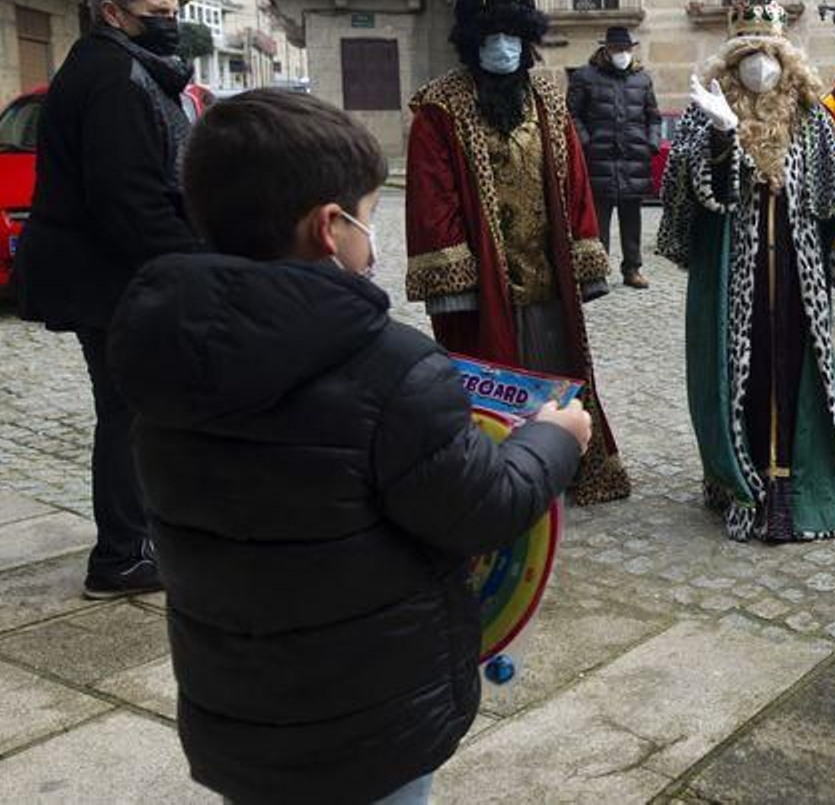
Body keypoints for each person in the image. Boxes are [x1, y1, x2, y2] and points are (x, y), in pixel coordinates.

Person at [106, 89, 592, 804]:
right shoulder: (392, 369)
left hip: (237, 712)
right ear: (330, 229)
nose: (374, 238)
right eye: (369, 217)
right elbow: (480, 506)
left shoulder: (163, 355)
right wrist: (554, 441)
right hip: (371, 724)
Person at [405, 0, 631, 505]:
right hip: (483, 278)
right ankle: (497, 479)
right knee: (492, 375)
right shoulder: (439, 107)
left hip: (549, 272)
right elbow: (432, 196)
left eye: (513, 36)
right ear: (471, 41)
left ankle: (571, 464)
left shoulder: (549, 98)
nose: (503, 48)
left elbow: (575, 179)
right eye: (491, 37)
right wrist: (454, 278)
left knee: (558, 367)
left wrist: (584, 257)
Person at [14, 0, 201, 600]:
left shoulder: (123, 67)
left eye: (174, 13)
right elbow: (131, 202)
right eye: (158, 15)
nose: (170, 25)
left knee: (131, 409)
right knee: (129, 412)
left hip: (107, 274)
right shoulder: (117, 79)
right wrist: (198, 264)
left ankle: (138, 538)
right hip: (107, 278)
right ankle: (122, 555)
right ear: (114, 14)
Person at [657, 2, 835, 542]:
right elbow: (686, 194)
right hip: (731, 272)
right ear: (730, 63)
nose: (760, 65)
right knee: (739, 369)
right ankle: (742, 475)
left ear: (787, 59)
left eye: (769, 53)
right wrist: (719, 138)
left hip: (796, 277)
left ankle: (793, 480)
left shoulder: (809, 114)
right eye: (747, 55)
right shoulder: (703, 112)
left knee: (794, 368)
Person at [567, 25, 660, 290]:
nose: (623, 54)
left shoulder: (642, 79)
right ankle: (597, 272)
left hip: (634, 158)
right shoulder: (585, 76)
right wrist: (587, 142)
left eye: (626, 49)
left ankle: (632, 269)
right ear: (606, 49)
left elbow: (653, 116)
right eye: (618, 49)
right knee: (598, 223)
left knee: (632, 221)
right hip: (598, 160)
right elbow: (571, 115)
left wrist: (651, 143)